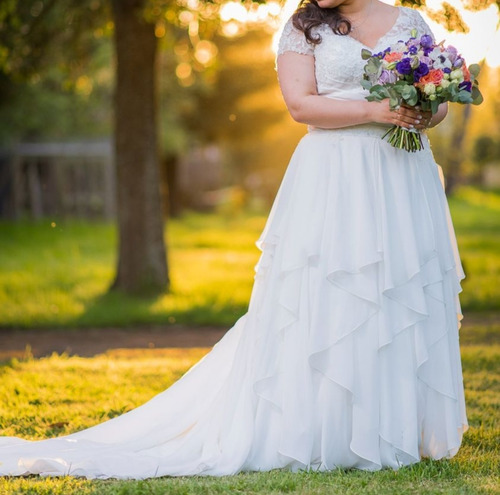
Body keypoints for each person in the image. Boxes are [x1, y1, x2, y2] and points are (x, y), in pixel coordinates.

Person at [0, 0, 468, 479]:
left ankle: (394, 427)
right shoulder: (302, 28)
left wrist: (421, 110)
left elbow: (437, 111)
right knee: (332, 294)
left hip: (401, 175)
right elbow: (299, 105)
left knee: (395, 291)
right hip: (335, 176)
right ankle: (325, 428)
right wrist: (378, 110)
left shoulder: (409, 22)